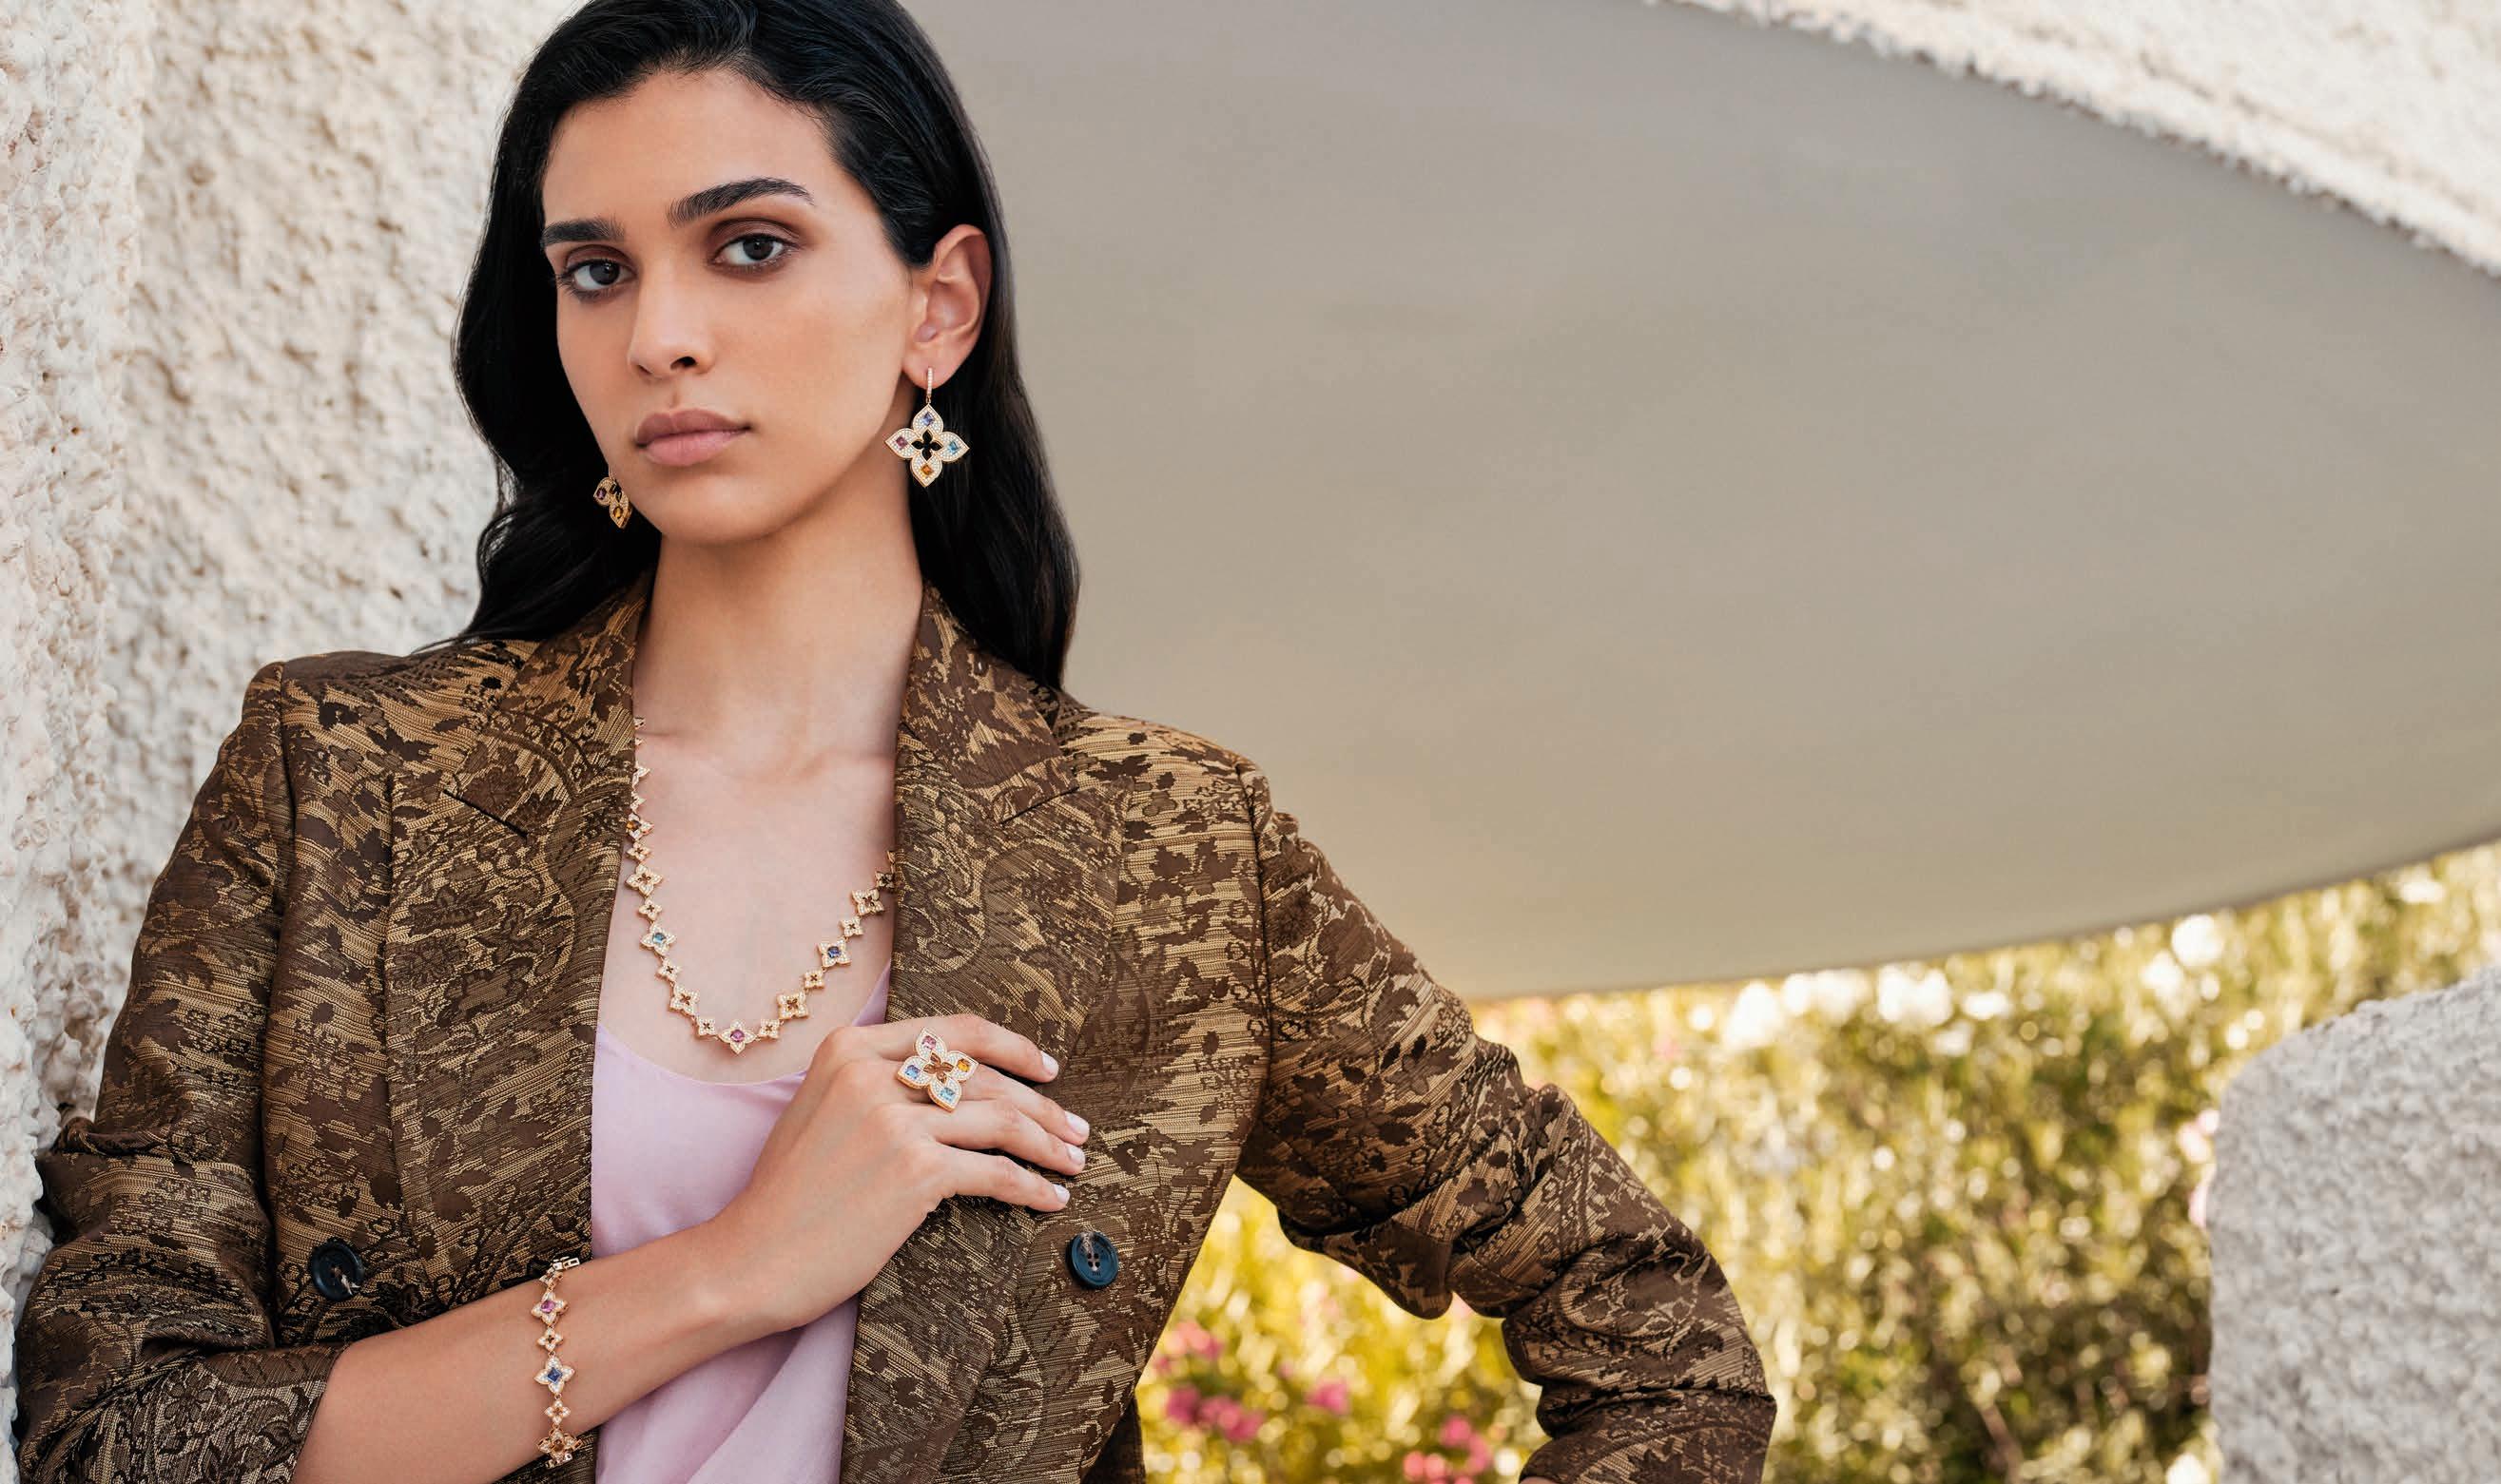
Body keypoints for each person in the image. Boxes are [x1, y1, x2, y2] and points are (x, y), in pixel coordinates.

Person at [9, 2, 1775, 1480]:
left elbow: (1659, 1339)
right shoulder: (345, 777)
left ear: (939, 306)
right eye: (595, 270)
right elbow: (118, 1435)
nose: (660, 334)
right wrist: (733, 1269)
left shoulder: (1164, 854)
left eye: (749, 245)